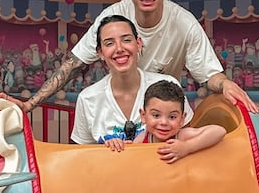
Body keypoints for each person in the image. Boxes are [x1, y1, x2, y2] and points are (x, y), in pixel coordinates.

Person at [0, 0, 258, 113]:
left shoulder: (184, 22)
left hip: (162, 115)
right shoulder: (111, 20)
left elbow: (209, 73)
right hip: (119, 111)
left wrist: (226, 84)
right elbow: (74, 63)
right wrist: (31, 103)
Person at [70, 14, 192, 146]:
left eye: (126, 40)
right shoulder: (87, 99)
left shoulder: (168, 85)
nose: (119, 49)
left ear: (138, 44)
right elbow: (82, 155)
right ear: (100, 52)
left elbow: (188, 139)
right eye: (109, 43)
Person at [138, 79, 226, 163]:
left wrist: (186, 147)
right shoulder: (142, 139)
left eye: (172, 117)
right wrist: (126, 146)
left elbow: (219, 131)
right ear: (143, 116)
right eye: (156, 115)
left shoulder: (182, 136)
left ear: (182, 119)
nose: (164, 122)